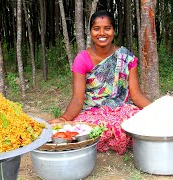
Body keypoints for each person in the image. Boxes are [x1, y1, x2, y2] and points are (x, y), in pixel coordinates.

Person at [48, 10, 151, 155]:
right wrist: (64, 119)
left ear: (114, 31)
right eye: (96, 29)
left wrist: (156, 111)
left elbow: (136, 94)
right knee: (83, 128)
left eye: (107, 28)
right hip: (93, 112)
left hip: (121, 110)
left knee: (143, 120)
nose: (102, 33)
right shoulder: (82, 59)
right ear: (90, 31)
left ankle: (109, 139)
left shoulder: (126, 57)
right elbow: (78, 99)